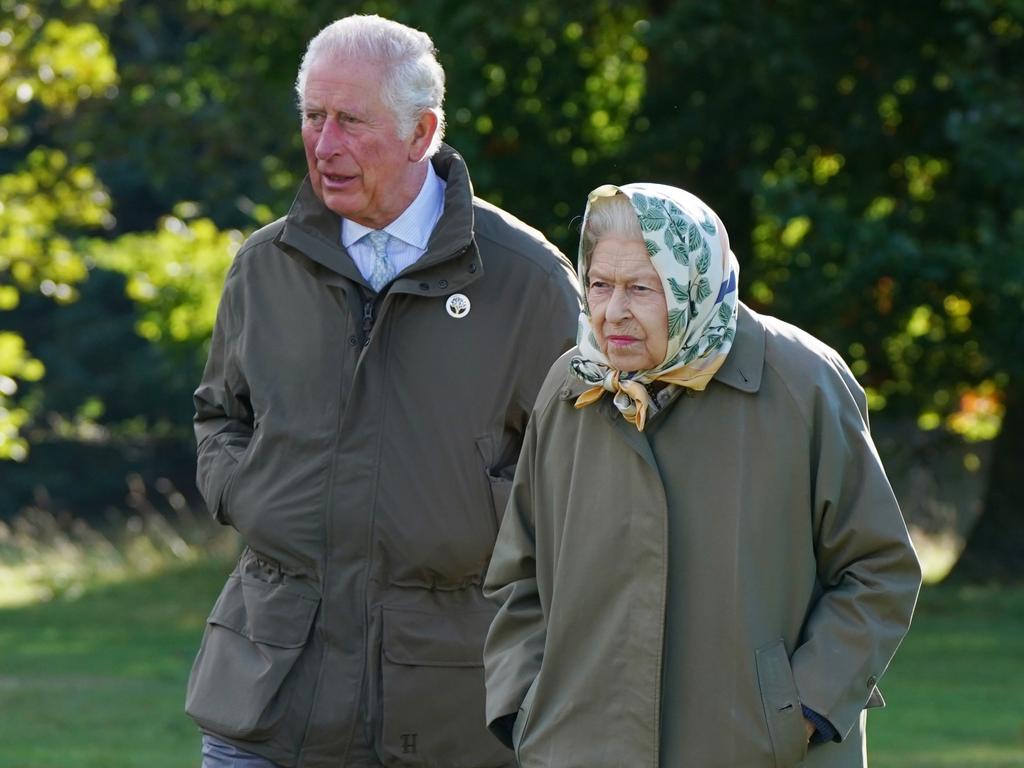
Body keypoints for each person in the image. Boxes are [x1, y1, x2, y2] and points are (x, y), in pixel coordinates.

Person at [185, 15, 580, 768]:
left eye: (349, 121)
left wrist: (486, 513)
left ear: (421, 131)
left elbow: (585, 463)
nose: (323, 145)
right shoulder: (263, 267)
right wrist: (247, 492)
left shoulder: (526, 281)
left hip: (454, 709)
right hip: (267, 696)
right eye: (312, 116)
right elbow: (219, 414)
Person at [482, 183, 922, 767]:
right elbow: (520, 575)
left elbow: (878, 569)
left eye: (641, 288)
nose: (613, 312)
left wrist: (802, 713)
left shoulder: (801, 382)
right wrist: (526, 709)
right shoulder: (571, 387)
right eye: (599, 285)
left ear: (692, 281)